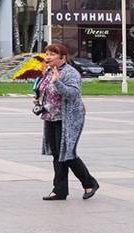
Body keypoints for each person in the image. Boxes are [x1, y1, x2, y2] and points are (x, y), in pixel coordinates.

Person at [37, 44, 99, 201]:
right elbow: (45, 90)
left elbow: (73, 94)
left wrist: (57, 82)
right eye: (47, 53)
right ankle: (60, 190)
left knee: (67, 153)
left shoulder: (71, 73)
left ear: (62, 57)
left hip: (68, 118)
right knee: (58, 154)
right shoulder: (49, 71)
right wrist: (39, 98)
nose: (48, 57)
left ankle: (90, 183)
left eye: (52, 54)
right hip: (51, 117)